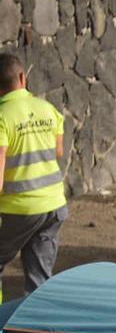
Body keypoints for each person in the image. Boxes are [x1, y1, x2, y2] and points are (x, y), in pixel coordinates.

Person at [0, 52, 67, 294]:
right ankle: (38, 328)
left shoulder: (2, 117)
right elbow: (58, 152)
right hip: (54, 206)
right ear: (22, 77)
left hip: (21, 208)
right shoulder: (48, 109)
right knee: (39, 277)